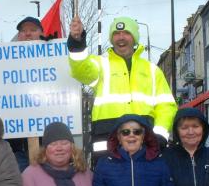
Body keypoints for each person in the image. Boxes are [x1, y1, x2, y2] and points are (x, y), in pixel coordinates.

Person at [67, 16, 176, 150]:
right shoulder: (100, 64)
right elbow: (80, 69)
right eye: (116, 33)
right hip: (107, 143)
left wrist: (159, 134)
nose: (121, 37)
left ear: (135, 38)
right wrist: (77, 42)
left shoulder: (152, 70)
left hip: (145, 143)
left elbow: (166, 106)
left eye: (126, 33)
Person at [8, 16, 46, 171]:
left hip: (47, 147)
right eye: (23, 31)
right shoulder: (4, 63)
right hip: (16, 148)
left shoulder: (53, 59)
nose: (28, 34)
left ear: (42, 33)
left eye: (33, 30)